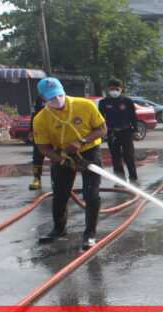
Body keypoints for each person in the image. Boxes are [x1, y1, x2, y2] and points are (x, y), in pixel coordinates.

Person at [33, 77, 107, 249]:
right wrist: (65, 163)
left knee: (91, 193)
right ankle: (59, 229)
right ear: (43, 98)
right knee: (60, 193)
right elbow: (43, 149)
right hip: (63, 154)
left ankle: (90, 234)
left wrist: (81, 141)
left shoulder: (85, 105)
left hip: (89, 150)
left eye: (59, 95)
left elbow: (102, 129)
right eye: (51, 98)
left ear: (63, 91)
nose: (57, 100)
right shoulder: (41, 119)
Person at [98, 78, 139, 185]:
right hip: (112, 133)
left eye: (117, 89)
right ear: (108, 89)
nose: (114, 91)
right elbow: (99, 118)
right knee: (115, 157)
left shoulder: (127, 102)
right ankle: (120, 180)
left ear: (121, 89)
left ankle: (133, 178)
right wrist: (100, 132)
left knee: (128, 155)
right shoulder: (104, 102)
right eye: (112, 89)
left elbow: (133, 117)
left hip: (126, 131)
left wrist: (136, 130)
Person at [28, 94, 47, 189]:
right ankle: (37, 179)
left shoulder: (56, 99)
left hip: (54, 131)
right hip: (39, 131)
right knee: (37, 155)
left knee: (56, 155)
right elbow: (34, 115)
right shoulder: (37, 101)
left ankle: (55, 180)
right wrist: (31, 130)